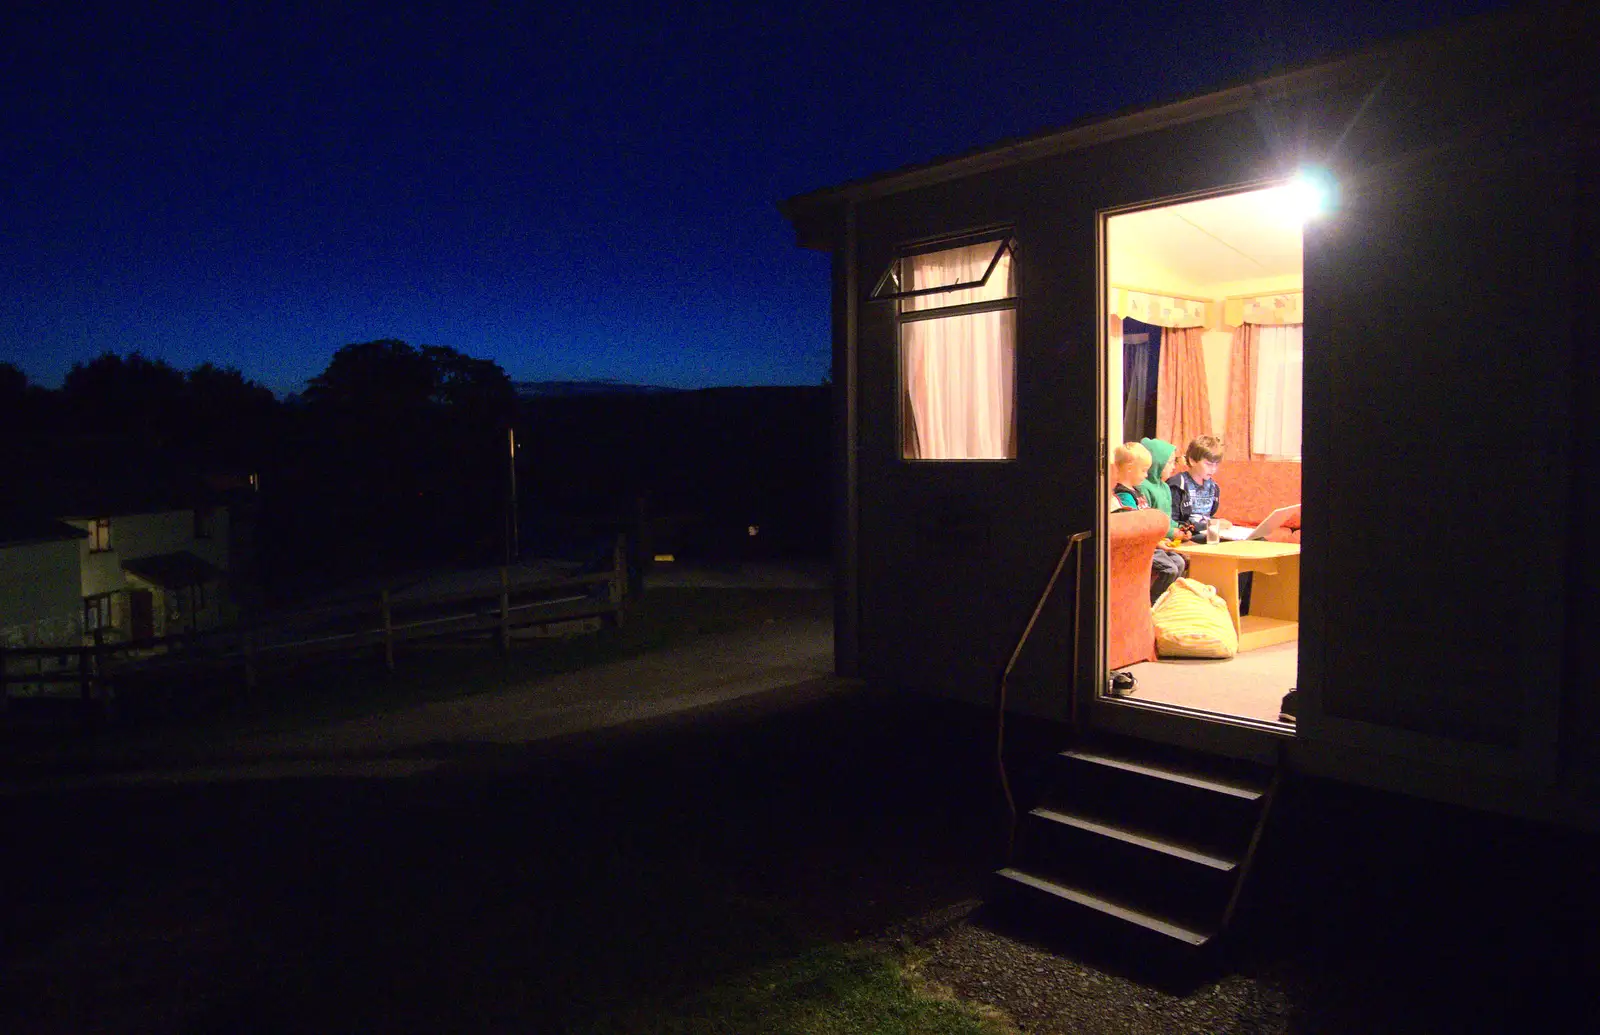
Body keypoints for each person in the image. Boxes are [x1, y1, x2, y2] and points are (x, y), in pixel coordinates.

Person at [1110, 441, 1186, 601]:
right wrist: (1157, 543)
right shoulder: (1124, 496)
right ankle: (1151, 603)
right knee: (1169, 569)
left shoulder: (1137, 491)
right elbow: (1136, 529)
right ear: (1130, 469)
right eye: (1144, 470)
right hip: (1138, 548)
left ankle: (1167, 602)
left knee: (1179, 562)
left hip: (1150, 544)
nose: (1146, 475)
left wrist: (1159, 540)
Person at [1168, 435, 1232, 537]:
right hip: (1189, 534)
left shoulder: (1213, 487)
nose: (1213, 469)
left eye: (1216, 464)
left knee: (1257, 539)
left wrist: (1217, 522)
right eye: (1208, 464)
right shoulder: (1177, 485)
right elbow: (1174, 522)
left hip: (1207, 532)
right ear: (1193, 461)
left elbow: (1206, 517)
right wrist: (1212, 525)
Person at [1138, 437, 1180, 536]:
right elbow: (1148, 525)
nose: (1173, 467)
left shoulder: (1165, 487)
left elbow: (1168, 519)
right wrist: (1171, 533)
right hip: (1154, 542)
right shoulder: (1143, 487)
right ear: (1157, 463)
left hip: (1167, 539)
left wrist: (1180, 528)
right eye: (1170, 462)